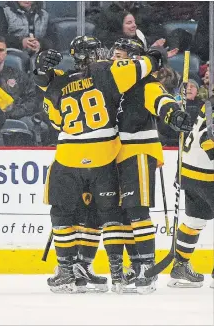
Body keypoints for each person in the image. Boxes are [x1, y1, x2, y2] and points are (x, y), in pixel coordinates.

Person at [34, 35, 167, 294]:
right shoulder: (108, 72)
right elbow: (143, 67)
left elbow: (55, 121)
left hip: (68, 157)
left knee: (62, 215)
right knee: (109, 215)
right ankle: (118, 275)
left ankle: (68, 271)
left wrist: (41, 70)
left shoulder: (59, 81)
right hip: (105, 155)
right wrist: (153, 57)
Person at [111, 38, 192, 294]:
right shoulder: (107, 82)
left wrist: (174, 114)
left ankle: (147, 265)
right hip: (110, 154)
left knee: (137, 211)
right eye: (113, 54)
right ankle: (135, 265)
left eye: (120, 55)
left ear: (135, 61)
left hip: (138, 152)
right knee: (120, 215)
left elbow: (161, 101)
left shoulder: (145, 84)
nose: (114, 59)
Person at [168, 96, 214, 289]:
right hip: (206, 174)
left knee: (195, 219)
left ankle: (180, 266)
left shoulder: (210, 103)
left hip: (191, 171)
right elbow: (208, 138)